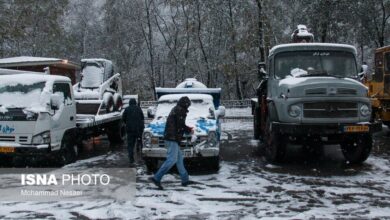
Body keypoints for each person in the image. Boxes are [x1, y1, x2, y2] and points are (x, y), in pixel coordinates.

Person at [149, 96, 194, 190]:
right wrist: (189, 130)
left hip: (172, 137)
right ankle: (156, 178)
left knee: (179, 160)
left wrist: (186, 129)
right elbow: (180, 125)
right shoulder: (180, 110)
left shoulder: (177, 109)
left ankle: (185, 179)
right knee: (172, 159)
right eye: (188, 105)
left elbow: (179, 124)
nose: (188, 107)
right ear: (185, 104)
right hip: (172, 138)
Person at [122, 98, 144, 166]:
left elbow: (123, 118)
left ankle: (131, 159)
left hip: (130, 130)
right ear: (135, 103)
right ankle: (142, 156)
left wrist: (128, 123)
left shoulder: (127, 109)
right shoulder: (139, 109)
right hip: (138, 130)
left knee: (130, 145)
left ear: (129, 103)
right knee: (141, 143)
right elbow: (142, 118)